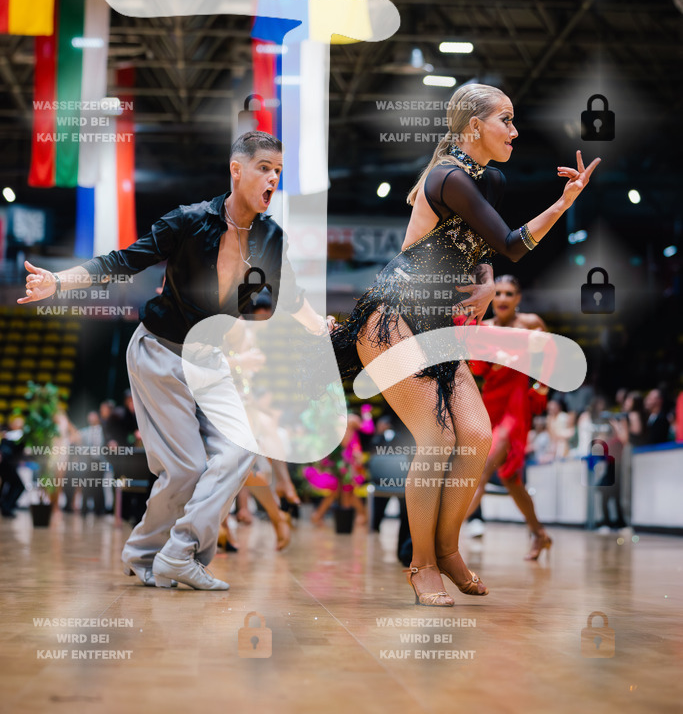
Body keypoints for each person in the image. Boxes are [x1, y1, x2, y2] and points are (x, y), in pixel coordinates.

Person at [18, 131, 333, 590]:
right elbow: (123, 260)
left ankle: (178, 553)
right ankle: (146, 552)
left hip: (211, 360)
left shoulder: (270, 237)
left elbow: (291, 298)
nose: (273, 178)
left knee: (242, 449)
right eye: (265, 167)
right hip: (159, 352)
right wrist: (60, 282)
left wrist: (317, 325)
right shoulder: (188, 221)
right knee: (185, 468)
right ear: (236, 170)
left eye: (278, 171)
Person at [331, 83, 599, 606]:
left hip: (438, 325)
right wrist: (565, 203)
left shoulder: (487, 178)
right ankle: (422, 564)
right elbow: (512, 242)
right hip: (392, 319)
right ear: (474, 126)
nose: (515, 131)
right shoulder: (448, 177)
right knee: (437, 438)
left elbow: (483, 247)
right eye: (506, 120)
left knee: (475, 436)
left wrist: (483, 280)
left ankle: (449, 552)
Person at [466, 275, 554, 560]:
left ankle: (442, 544)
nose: (502, 298)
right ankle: (539, 534)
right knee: (511, 479)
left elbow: (553, 354)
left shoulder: (530, 324)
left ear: (518, 298)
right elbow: (479, 371)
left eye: (509, 293)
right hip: (489, 404)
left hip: (516, 407)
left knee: (480, 472)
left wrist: (541, 386)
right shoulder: (483, 328)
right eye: (499, 293)